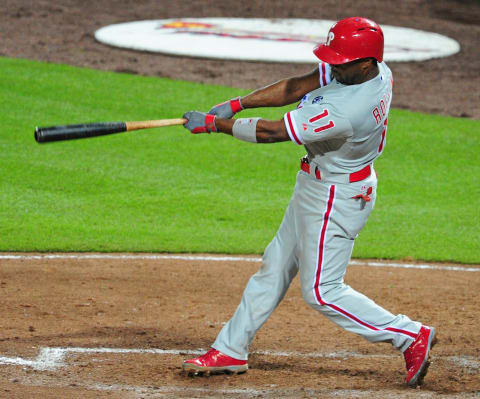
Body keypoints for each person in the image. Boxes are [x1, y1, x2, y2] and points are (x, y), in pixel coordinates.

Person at [180, 17, 436, 387]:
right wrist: (237, 103)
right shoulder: (368, 70)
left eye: (341, 61)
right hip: (316, 184)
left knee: (322, 290)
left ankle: (409, 335)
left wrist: (213, 125)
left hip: (337, 195)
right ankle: (231, 348)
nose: (333, 65)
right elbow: (297, 86)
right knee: (276, 264)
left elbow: (271, 132)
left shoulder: (347, 109)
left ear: (366, 63)